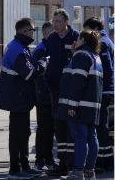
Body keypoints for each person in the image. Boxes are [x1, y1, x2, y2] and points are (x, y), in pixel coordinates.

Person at [0, 17, 48, 180]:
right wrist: (43, 63)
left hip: (19, 98)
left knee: (22, 132)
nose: (33, 34)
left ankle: (23, 166)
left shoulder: (18, 46)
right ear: (24, 31)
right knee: (19, 133)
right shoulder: (18, 49)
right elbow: (29, 73)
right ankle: (15, 169)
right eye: (32, 30)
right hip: (17, 98)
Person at [56, 30, 102, 180]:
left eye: (79, 38)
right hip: (92, 105)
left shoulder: (81, 56)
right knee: (91, 137)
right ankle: (89, 171)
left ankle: (77, 171)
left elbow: (77, 83)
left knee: (80, 137)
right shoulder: (96, 57)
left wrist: (72, 105)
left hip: (80, 105)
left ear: (83, 39)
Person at [45, 9, 79, 177]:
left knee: (71, 125)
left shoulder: (75, 37)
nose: (55, 24)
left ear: (66, 22)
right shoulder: (51, 38)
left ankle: (72, 162)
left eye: (58, 21)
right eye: (54, 21)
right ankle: (62, 162)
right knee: (58, 125)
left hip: (71, 89)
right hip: (55, 89)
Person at [83, 18, 114, 172]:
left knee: (101, 127)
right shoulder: (107, 39)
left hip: (103, 90)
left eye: (87, 30)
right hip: (107, 90)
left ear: (94, 28)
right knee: (103, 127)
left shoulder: (101, 42)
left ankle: (105, 161)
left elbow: (106, 68)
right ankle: (105, 160)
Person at [32, 21, 55, 171]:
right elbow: (38, 73)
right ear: (46, 33)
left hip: (49, 94)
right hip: (43, 95)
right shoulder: (42, 49)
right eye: (52, 32)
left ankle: (48, 158)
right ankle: (40, 159)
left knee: (50, 128)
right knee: (44, 128)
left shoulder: (50, 46)